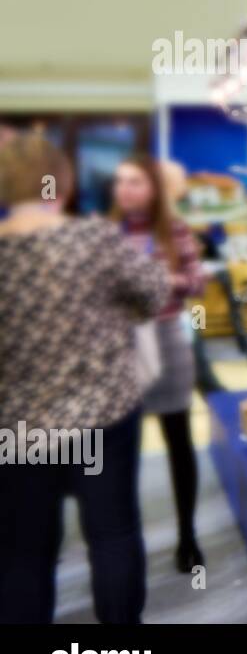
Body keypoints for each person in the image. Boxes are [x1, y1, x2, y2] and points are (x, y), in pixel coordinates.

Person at [0, 133, 170, 623]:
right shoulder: (90, 239)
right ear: (61, 182)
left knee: (24, 552)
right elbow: (154, 291)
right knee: (112, 534)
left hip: (19, 428)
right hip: (102, 418)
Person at [111, 154, 209, 572]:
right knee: (121, 451)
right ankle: (120, 543)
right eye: (120, 182)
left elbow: (197, 281)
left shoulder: (173, 230)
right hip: (119, 347)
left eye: (135, 181)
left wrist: (157, 279)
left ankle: (188, 536)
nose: (125, 190)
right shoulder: (105, 233)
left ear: (152, 188)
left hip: (167, 341)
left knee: (178, 441)